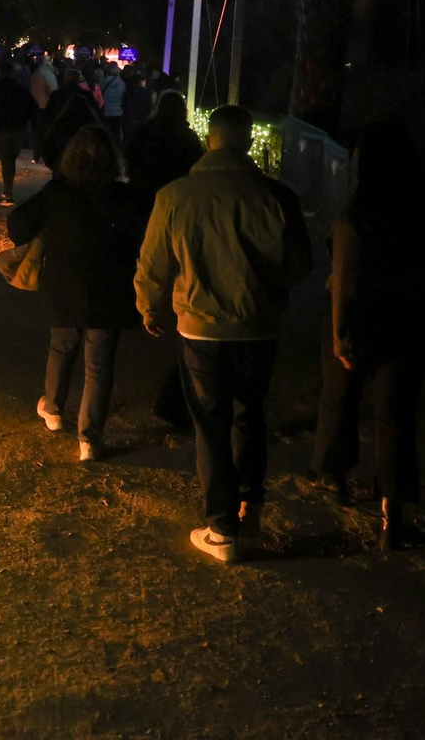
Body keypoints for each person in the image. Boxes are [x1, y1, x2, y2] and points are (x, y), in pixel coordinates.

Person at [135, 105, 312, 564]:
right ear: (248, 139)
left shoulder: (175, 196)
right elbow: (299, 266)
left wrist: (149, 307)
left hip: (199, 328)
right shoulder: (277, 196)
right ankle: (250, 509)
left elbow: (153, 264)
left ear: (210, 140)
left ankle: (221, 527)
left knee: (210, 426)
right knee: (249, 415)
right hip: (258, 327)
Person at [302, 121, 425, 551]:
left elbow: (345, 282)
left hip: (361, 323)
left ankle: (333, 475)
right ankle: (391, 512)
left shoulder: (358, 214)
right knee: (394, 417)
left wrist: (341, 334)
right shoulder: (423, 208)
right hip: (410, 323)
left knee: (339, 399)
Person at [8, 125, 148, 461]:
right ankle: (89, 439)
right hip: (110, 287)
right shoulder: (124, 197)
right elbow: (143, 237)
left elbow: (16, 225)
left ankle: (53, 409)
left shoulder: (57, 192)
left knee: (62, 343)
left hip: (64, 284)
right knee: (99, 364)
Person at [124, 90, 207, 432]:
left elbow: (129, 162)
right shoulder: (186, 138)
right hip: (179, 205)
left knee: (150, 252)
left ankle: (147, 300)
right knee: (175, 256)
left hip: (146, 201)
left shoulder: (144, 132)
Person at [0, 62, 37, 205]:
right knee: (10, 160)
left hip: (1, 129)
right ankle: (8, 191)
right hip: (17, 129)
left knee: (6, 161)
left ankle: (8, 193)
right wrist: (23, 120)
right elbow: (33, 107)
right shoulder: (21, 90)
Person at [29, 55, 59, 163]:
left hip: (35, 105)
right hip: (45, 106)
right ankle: (43, 155)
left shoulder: (35, 73)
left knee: (37, 131)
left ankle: (36, 155)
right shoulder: (47, 74)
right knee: (45, 132)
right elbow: (53, 90)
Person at [100, 62, 127, 147]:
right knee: (117, 131)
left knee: (107, 131)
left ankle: (107, 146)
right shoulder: (122, 84)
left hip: (106, 111)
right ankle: (117, 147)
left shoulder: (102, 82)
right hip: (118, 111)